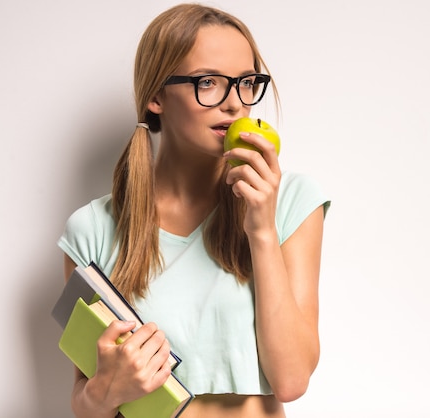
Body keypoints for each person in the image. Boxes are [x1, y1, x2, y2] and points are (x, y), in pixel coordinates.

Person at [57, 3, 330, 417]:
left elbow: (291, 381)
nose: (235, 104)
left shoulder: (290, 201)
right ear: (156, 97)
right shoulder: (93, 228)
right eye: (209, 82)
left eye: (245, 83)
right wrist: (107, 390)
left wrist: (260, 230)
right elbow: (85, 400)